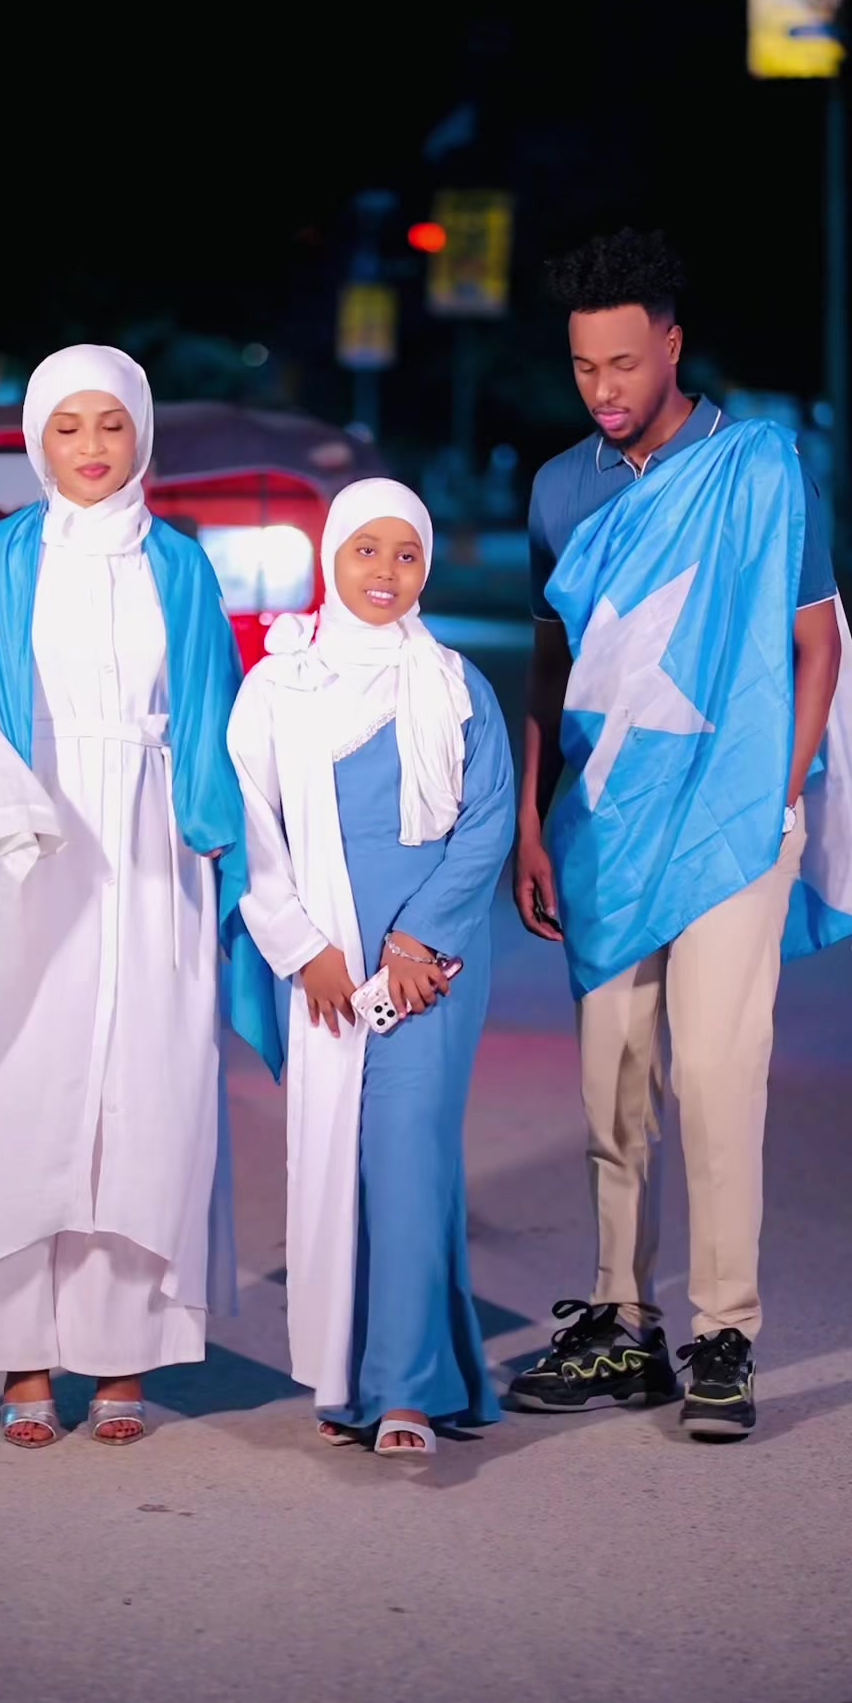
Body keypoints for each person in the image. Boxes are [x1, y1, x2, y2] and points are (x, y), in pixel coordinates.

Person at [510, 229, 852, 1438]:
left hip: (733, 815)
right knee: (613, 1084)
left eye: (625, 363)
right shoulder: (559, 490)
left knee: (719, 1073)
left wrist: (777, 794)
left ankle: (724, 1333)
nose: (604, 389)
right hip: (606, 824)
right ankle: (624, 1326)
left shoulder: (760, 469)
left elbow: (816, 642)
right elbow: (554, 666)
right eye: (585, 366)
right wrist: (530, 822)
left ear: (672, 346)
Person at [0, 345, 280, 1448]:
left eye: (111, 424)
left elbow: (219, 713)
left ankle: (124, 1358)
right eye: (68, 426)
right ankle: (26, 1362)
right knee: (20, 1093)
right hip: (27, 853)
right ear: (36, 441)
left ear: (141, 432)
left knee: (143, 1099)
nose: (92, 447)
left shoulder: (181, 567)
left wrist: (228, 837)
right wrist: (9, 815)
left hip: (150, 854)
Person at [228, 479, 514, 1456]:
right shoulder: (280, 686)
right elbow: (251, 828)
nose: (386, 571)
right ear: (332, 556)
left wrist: (417, 942)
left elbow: (486, 823)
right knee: (334, 1163)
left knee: (408, 1155)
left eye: (407, 553)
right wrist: (304, 951)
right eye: (367, 549)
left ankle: (406, 1392)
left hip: (431, 970)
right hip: (323, 965)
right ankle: (347, 1379)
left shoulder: (455, 684)